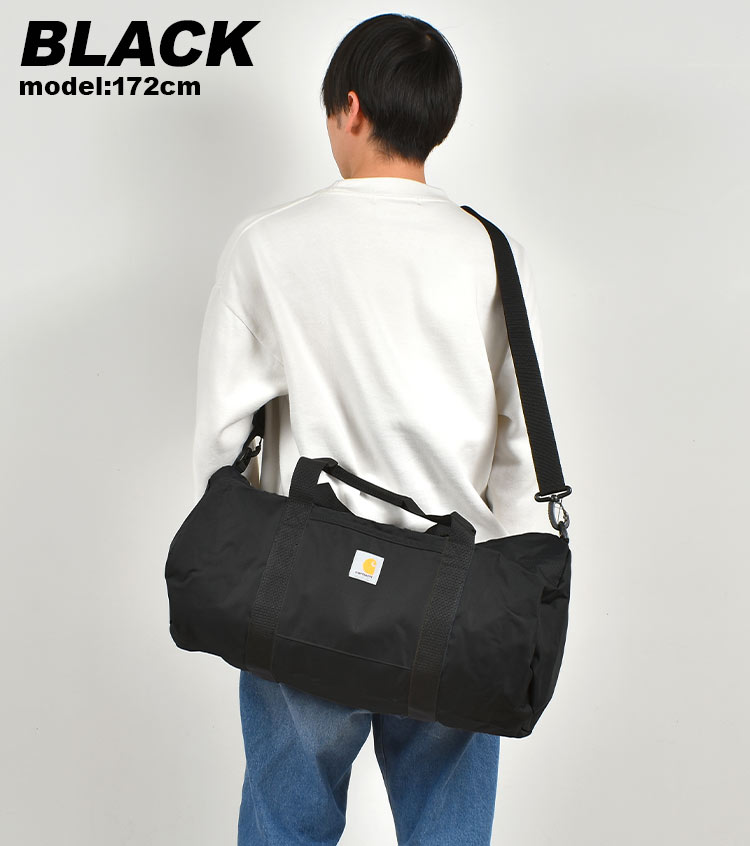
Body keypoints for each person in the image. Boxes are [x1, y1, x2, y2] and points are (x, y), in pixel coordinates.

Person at [192, 12, 549, 846]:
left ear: (349, 107)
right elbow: (522, 443)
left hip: (301, 595)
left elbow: (221, 437)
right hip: (455, 600)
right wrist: (505, 576)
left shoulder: (270, 245)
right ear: (437, 118)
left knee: (285, 828)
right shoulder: (491, 252)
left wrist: (234, 561)